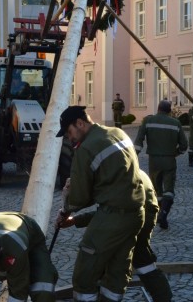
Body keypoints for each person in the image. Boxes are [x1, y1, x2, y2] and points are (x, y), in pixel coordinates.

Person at [55, 106, 145, 302]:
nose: (70, 139)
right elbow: (114, 177)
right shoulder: (118, 132)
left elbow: (79, 197)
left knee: (84, 274)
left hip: (112, 218)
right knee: (117, 273)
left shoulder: (86, 148)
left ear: (80, 123)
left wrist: (66, 206)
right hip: (137, 213)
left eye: (69, 132)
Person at [59, 170, 173, 301]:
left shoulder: (107, 174)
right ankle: (164, 297)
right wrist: (75, 220)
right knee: (139, 258)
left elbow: (111, 214)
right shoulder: (119, 168)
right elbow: (108, 212)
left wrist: (68, 210)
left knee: (131, 257)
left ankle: (162, 297)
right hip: (141, 213)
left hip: (135, 215)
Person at [135, 100, 188, 229]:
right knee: (169, 189)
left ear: (158, 109)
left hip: (154, 160)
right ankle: (164, 213)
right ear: (170, 110)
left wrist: (134, 155)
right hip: (169, 159)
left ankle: (159, 213)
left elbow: (139, 140)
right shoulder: (175, 123)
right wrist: (176, 152)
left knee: (156, 188)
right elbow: (184, 145)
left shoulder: (148, 121)